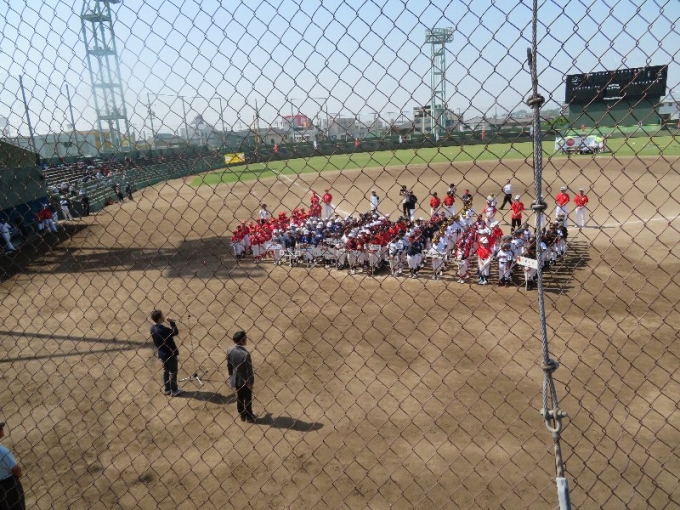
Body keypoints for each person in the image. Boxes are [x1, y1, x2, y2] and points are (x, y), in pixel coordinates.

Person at [150, 310, 183, 396]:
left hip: (162, 353)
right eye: (162, 315)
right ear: (159, 318)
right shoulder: (163, 330)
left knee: (166, 371)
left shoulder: (152, 328)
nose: (163, 316)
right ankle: (174, 390)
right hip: (170, 353)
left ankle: (167, 389)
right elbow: (175, 332)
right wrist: (171, 322)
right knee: (173, 372)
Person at [227, 330, 258, 423]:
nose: (246, 340)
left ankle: (242, 414)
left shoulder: (230, 350)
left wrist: (231, 375)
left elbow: (229, 364)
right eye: (245, 338)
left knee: (240, 396)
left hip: (236, 378)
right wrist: (251, 382)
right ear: (242, 340)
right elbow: (249, 370)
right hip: (245, 380)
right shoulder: (245, 354)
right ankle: (249, 415)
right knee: (247, 397)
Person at [0, 421, 25, 510]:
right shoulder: (2, 451)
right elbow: (15, 469)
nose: (2, 429)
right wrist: (20, 475)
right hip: (8, 484)